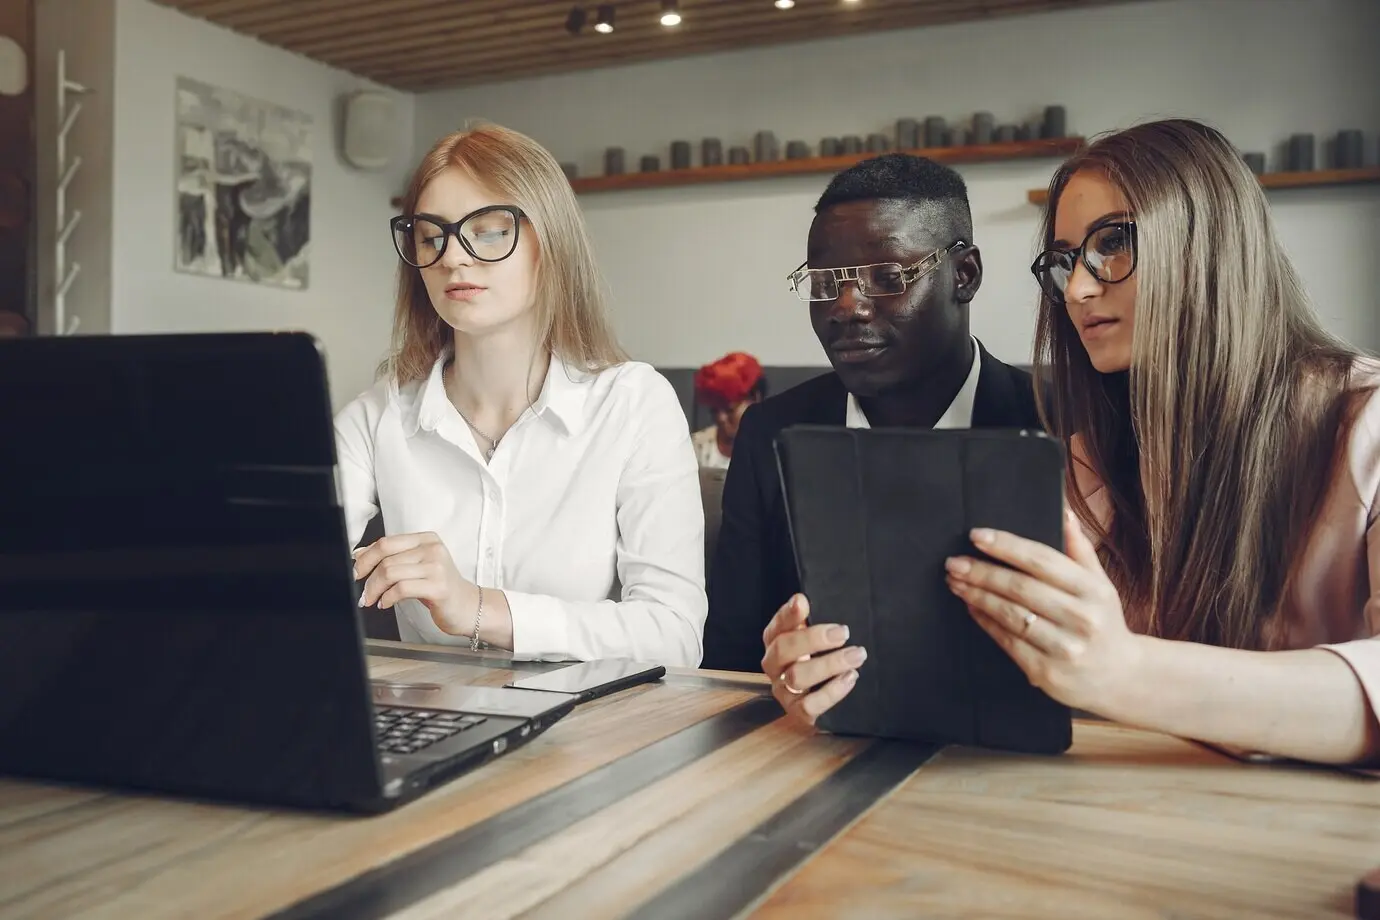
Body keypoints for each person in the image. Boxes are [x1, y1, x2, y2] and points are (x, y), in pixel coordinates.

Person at [762, 118, 1380, 766]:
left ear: (1212, 244)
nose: (1078, 289)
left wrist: (1126, 672)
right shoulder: (1086, 466)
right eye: (1064, 261)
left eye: (1112, 243)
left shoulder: (1362, 423)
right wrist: (840, 678)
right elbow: (1005, 686)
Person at [337, 122, 707, 669]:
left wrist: (478, 609)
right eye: (431, 235)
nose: (452, 258)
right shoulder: (377, 415)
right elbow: (278, 581)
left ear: (550, 242)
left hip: (592, 728)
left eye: (487, 230)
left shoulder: (633, 402)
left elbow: (674, 636)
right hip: (432, 722)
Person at [703, 153, 1042, 673]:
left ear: (965, 275)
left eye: (886, 275)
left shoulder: (1056, 426)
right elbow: (731, 656)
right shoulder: (773, 435)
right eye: (824, 281)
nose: (846, 306)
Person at [691, 351, 766, 470]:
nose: (721, 418)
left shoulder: (777, 446)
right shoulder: (697, 447)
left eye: (729, 409)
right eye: (714, 410)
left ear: (756, 399)